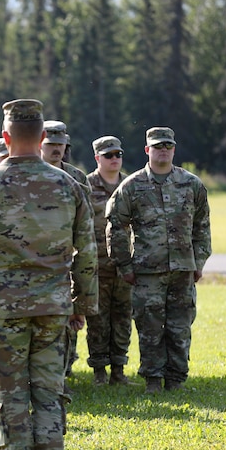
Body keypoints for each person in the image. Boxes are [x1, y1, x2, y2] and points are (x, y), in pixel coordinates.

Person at [0, 99, 98, 450]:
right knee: (49, 393)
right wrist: (83, 304)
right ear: (42, 138)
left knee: (9, 396)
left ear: (5, 138)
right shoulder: (69, 185)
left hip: (4, 310)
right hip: (54, 309)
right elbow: (88, 252)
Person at [106, 127, 211, 394]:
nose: (163, 150)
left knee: (180, 327)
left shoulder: (192, 184)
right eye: (157, 146)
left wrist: (198, 261)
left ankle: (175, 379)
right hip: (147, 272)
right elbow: (116, 226)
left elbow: (202, 226)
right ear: (147, 150)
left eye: (167, 146)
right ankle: (152, 380)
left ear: (174, 149)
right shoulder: (131, 186)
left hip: (182, 271)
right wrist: (124, 265)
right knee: (150, 328)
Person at [40, 120, 92, 387]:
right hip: (33, 265)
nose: (56, 149)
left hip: (65, 261)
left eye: (61, 144)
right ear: (40, 143)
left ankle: (63, 373)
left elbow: (85, 226)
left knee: (66, 321)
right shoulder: (27, 174)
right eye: (51, 144)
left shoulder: (77, 178)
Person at [85, 136, 133, 385]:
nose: (114, 159)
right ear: (98, 158)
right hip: (96, 266)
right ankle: (99, 371)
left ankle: (119, 370)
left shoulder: (130, 185)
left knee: (123, 318)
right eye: (108, 155)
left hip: (124, 267)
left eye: (118, 154)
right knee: (98, 320)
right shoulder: (86, 186)